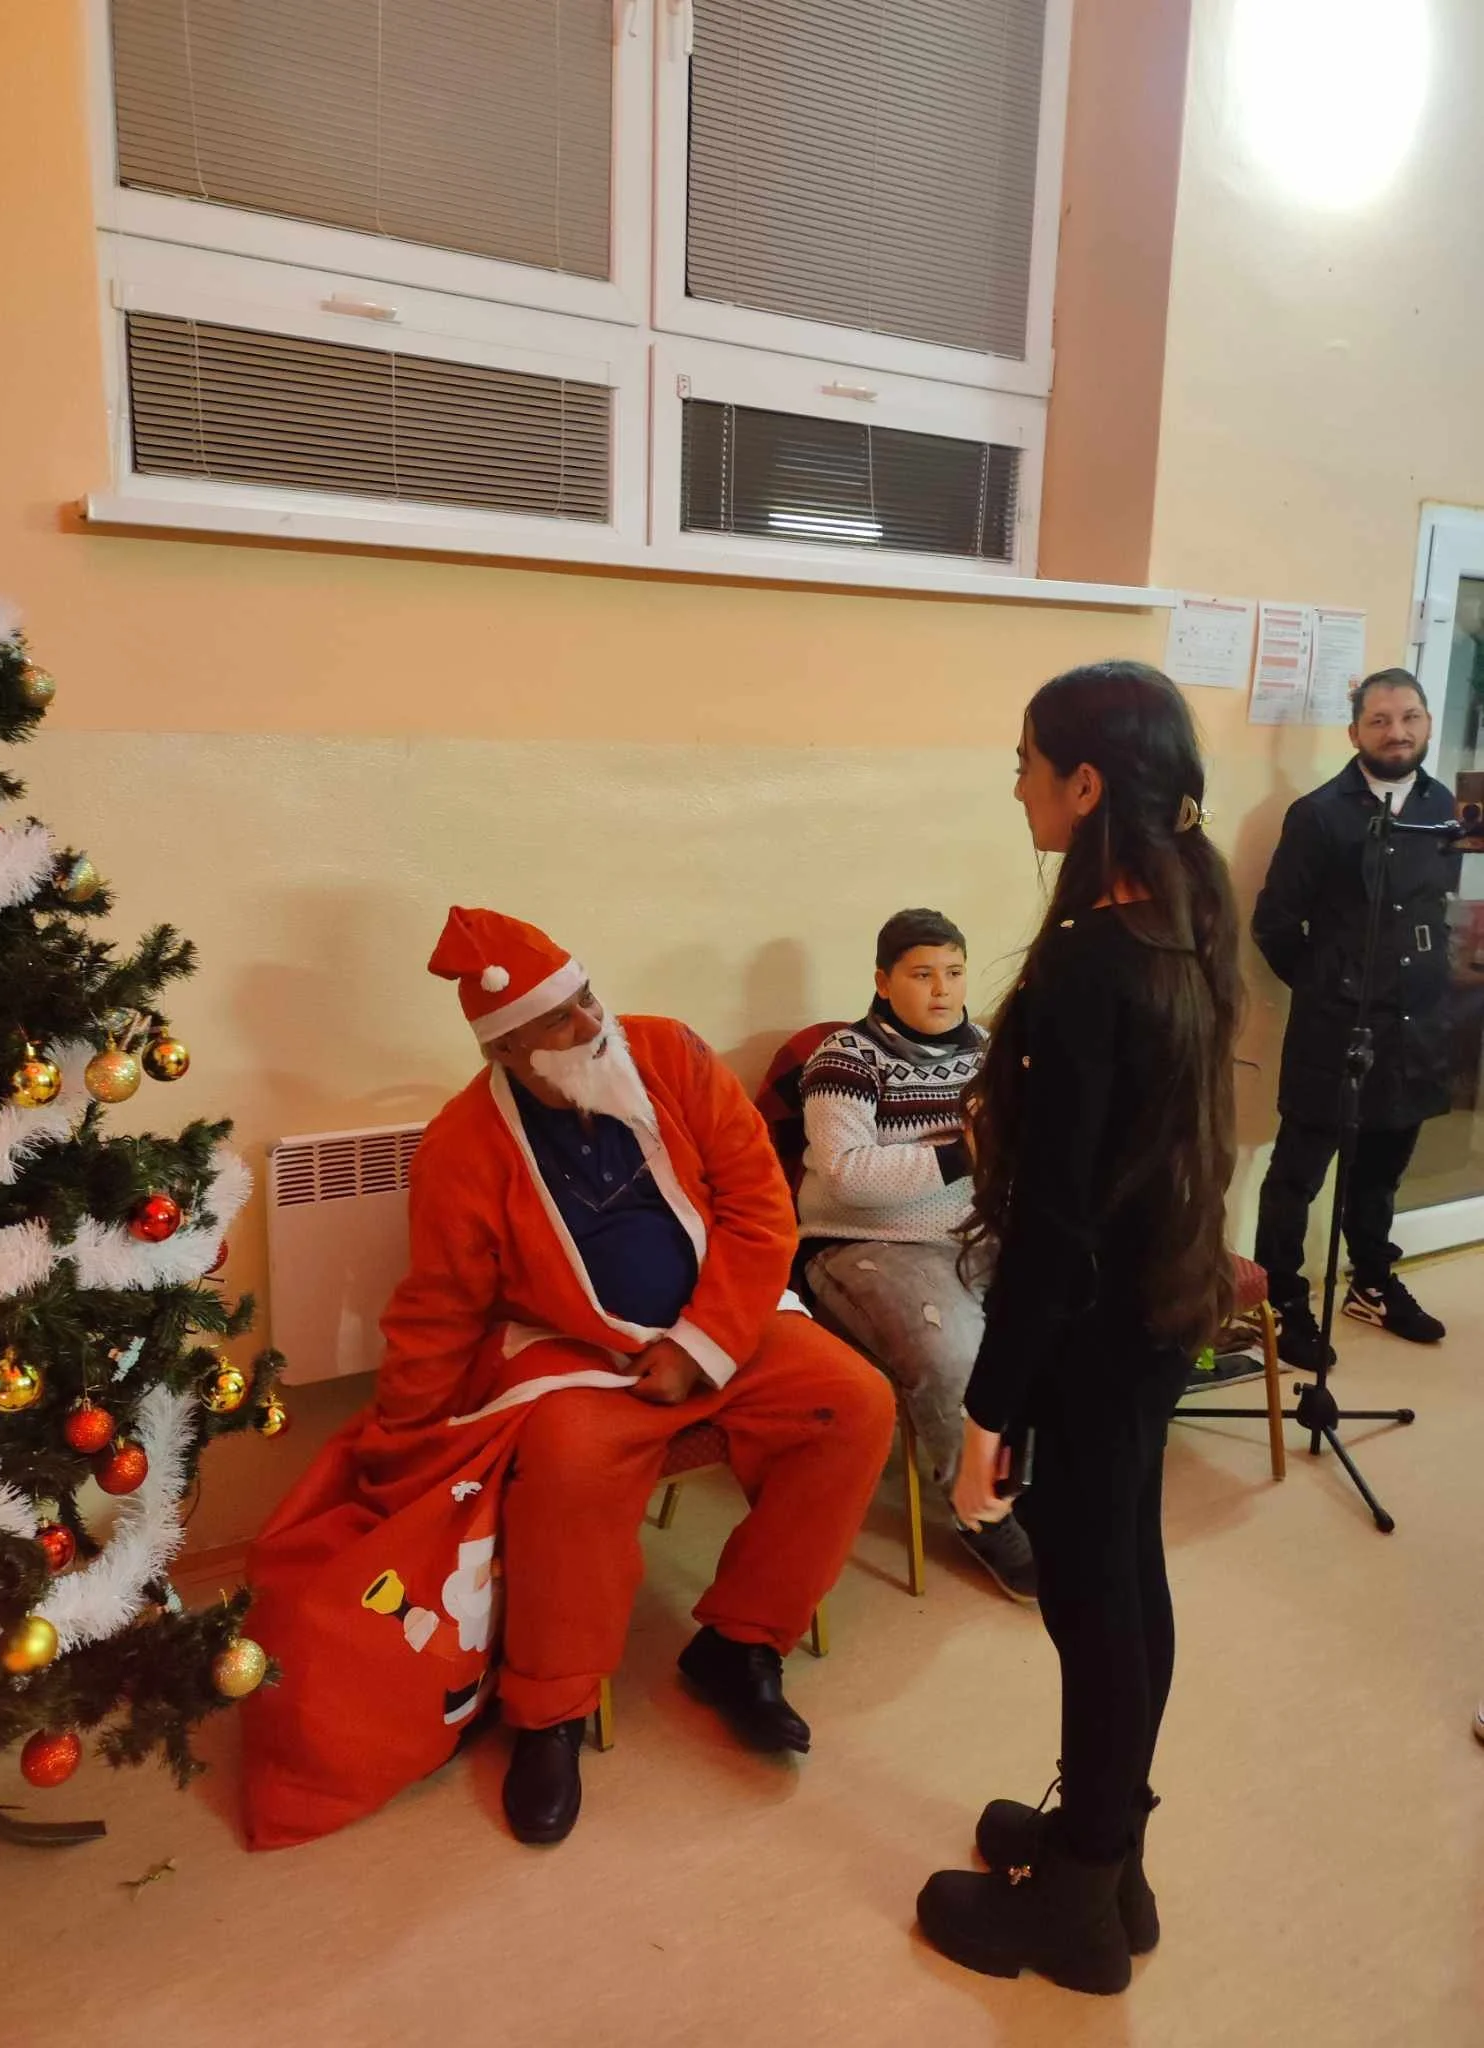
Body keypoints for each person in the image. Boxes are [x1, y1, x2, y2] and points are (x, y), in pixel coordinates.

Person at [247, 909, 896, 1850]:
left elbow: (761, 1209)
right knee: (565, 1463)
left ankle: (742, 1645)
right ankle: (547, 1711)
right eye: (559, 1019)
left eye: (587, 997)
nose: (592, 1023)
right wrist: (399, 1445)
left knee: (855, 1405)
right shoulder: (463, 1145)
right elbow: (440, 1311)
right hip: (574, 1352)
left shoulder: (670, 1054)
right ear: (510, 1049)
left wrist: (700, 1344)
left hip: (724, 1322)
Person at [915, 661, 1241, 1996]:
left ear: (1087, 783)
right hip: (1162, 1309)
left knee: (1096, 1605)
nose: (1018, 784)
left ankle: (1079, 1909)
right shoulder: (1185, 916)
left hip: (1102, 1328)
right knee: (1127, 1584)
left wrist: (986, 1414)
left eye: (1029, 761)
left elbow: (1054, 1229)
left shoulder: (1093, 966)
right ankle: (1109, 1858)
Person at [797, 908, 1037, 1601]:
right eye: (922, 974)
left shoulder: (990, 1049)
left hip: (979, 1231)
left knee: (1072, 1308)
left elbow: (1017, 1143)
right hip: (867, 1244)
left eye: (954, 973)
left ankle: (1027, 1480)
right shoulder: (844, 1059)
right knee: (953, 1356)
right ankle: (980, 1514)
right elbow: (846, 1174)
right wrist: (965, 1152)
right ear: (882, 979)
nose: (942, 990)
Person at [1253, 669, 1461, 1367]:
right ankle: (1281, 1302)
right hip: (1335, 1031)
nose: (1396, 732)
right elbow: (1275, 925)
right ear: (1355, 733)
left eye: (1408, 717)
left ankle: (1370, 1283)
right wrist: (1330, 987)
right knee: (1297, 1177)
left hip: (1419, 1026)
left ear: (1427, 723)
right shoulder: (1319, 814)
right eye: (1379, 720)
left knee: (1381, 1172)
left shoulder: (1443, 807)